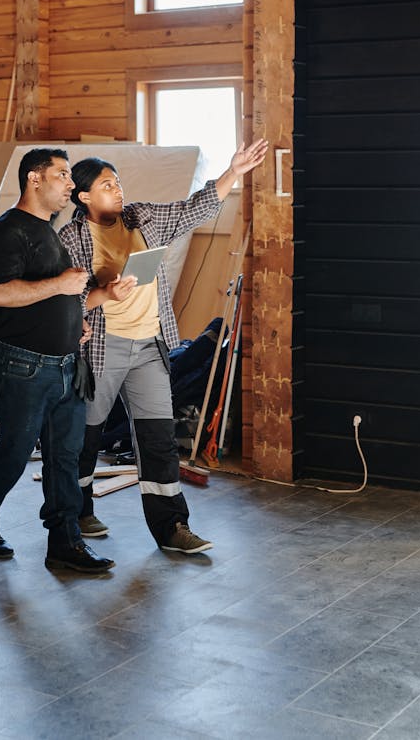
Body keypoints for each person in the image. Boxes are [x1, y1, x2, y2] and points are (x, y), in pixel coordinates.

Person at [58, 139, 268, 554]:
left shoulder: (143, 218)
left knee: (158, 439)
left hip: (149, 346)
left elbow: (195, 208)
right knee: (85, 436)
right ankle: (77, 512)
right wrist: (106, 292)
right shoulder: (71, 237)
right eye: (106, 185)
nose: (118, 190)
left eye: (118, 182)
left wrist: (234, 171)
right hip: (102, 348)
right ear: (84, 197)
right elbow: (64, 300)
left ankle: (172, 527)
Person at [0, 148, 114, 573]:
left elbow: (51, 296)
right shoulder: (8, 231)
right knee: (14, 452)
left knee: (65, 457)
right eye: (62, 175)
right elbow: (0, 294)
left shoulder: (48, 231)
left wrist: (75, 323)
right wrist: (62, 285)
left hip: (66, 364)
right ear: (34, 178)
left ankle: (65, 542)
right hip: (23, 366)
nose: (70, 184)